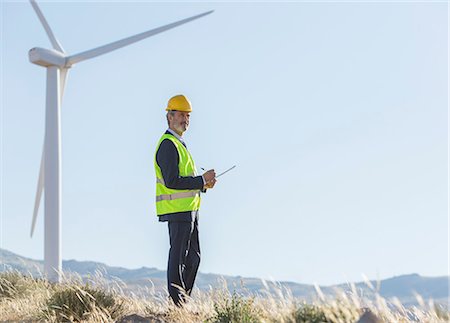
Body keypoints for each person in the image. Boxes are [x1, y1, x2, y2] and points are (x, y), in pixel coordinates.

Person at [154, 94, 216, 306]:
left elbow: (185, 179)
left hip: (190, 210)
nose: (185, 119)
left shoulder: (180, 144)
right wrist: (200, 180)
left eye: (187, 116)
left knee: (194, 258)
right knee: (179, 257)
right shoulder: (168, 145)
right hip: (177, 210)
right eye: (181, 115)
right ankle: (178, 303)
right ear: (169, 117)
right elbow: (172, 181)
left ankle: (182, 301)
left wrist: (203, 185)